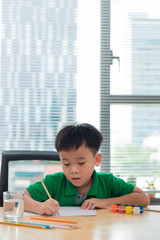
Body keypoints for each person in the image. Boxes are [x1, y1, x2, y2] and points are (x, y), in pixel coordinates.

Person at [24, 123, 150, 215]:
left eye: (81, 162)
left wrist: (106, 202)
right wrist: (39, 207)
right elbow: (16, 198)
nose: (73, 170)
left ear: (97, 160)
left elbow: (143, 198)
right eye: (66, 164)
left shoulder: (107, 181)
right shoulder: (54, 182)